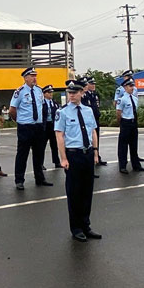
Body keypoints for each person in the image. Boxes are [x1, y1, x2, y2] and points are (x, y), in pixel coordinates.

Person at [55, 79, 101, 242]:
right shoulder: (63, 112)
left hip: (87, 154)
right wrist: (63, 158)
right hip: (73, 155)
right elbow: (59, 135)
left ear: (82, 93)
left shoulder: (88, 111)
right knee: (74, 193)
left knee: (87, 192)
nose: (72, 95)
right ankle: (76, 228)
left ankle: (86, 225)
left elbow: (93, 132)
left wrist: (95, 153)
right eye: (70, 93)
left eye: (75, 92)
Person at [9, 67, 52, 190]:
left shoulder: (39, 91)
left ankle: (40, 178)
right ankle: (19, 180)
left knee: (39, 153)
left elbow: (42, 108)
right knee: (22, 154)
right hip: (25, 127)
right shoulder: (20, 91)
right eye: (32, 76)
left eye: (35, 75)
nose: (35, 78)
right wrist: (20, 120)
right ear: (26, 78)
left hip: (38, 127)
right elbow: (12, 110)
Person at [114, 69, 144, 162]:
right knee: (123, 144)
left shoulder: (135, 89)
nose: (130, 79)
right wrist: (121, 120)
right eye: (128, 77)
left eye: (131, 77)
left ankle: (135, 160)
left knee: (134, 143)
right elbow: (117, 104)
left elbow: (135, 103)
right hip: (125, 119)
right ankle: (123, 162)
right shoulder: (120, 90)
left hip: (133, 119)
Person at [81, 76, 107, 168]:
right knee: (90, 140)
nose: (93, 85)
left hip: (95, 119)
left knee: (96, 140)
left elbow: (96, 106)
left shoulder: (94, 94)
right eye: (91, 84)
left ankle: (97, 157)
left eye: (94, 84)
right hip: (89, 120)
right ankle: (91, 159)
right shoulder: (85, 95)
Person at [41, 84, 61, 170]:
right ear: (44, 94)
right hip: (45, 126)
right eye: (49, 93)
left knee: (54, 145)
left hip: (53, 125)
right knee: (42, 146)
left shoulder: (55, 103)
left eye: (51, 93)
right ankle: (40, 163)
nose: (51, 94)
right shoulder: (42, 103)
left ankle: (56, 162)